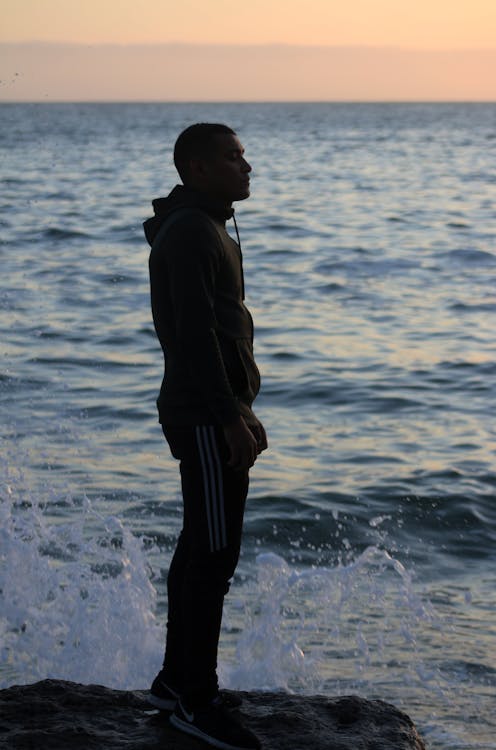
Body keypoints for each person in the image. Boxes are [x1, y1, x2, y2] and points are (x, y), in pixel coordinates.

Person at [144, 123, 266, 750]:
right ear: (194, 168)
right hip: (200, 415)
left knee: (200, 545)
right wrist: (225, 415)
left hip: (212, 409)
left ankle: (174, 682)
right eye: (232, 157)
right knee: (213, 559)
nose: (246, 167)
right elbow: (191, 336)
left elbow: (221, 332)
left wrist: (241, 408)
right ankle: (196, 698)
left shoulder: (209, 224)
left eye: (243, 156)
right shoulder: (191, 232)